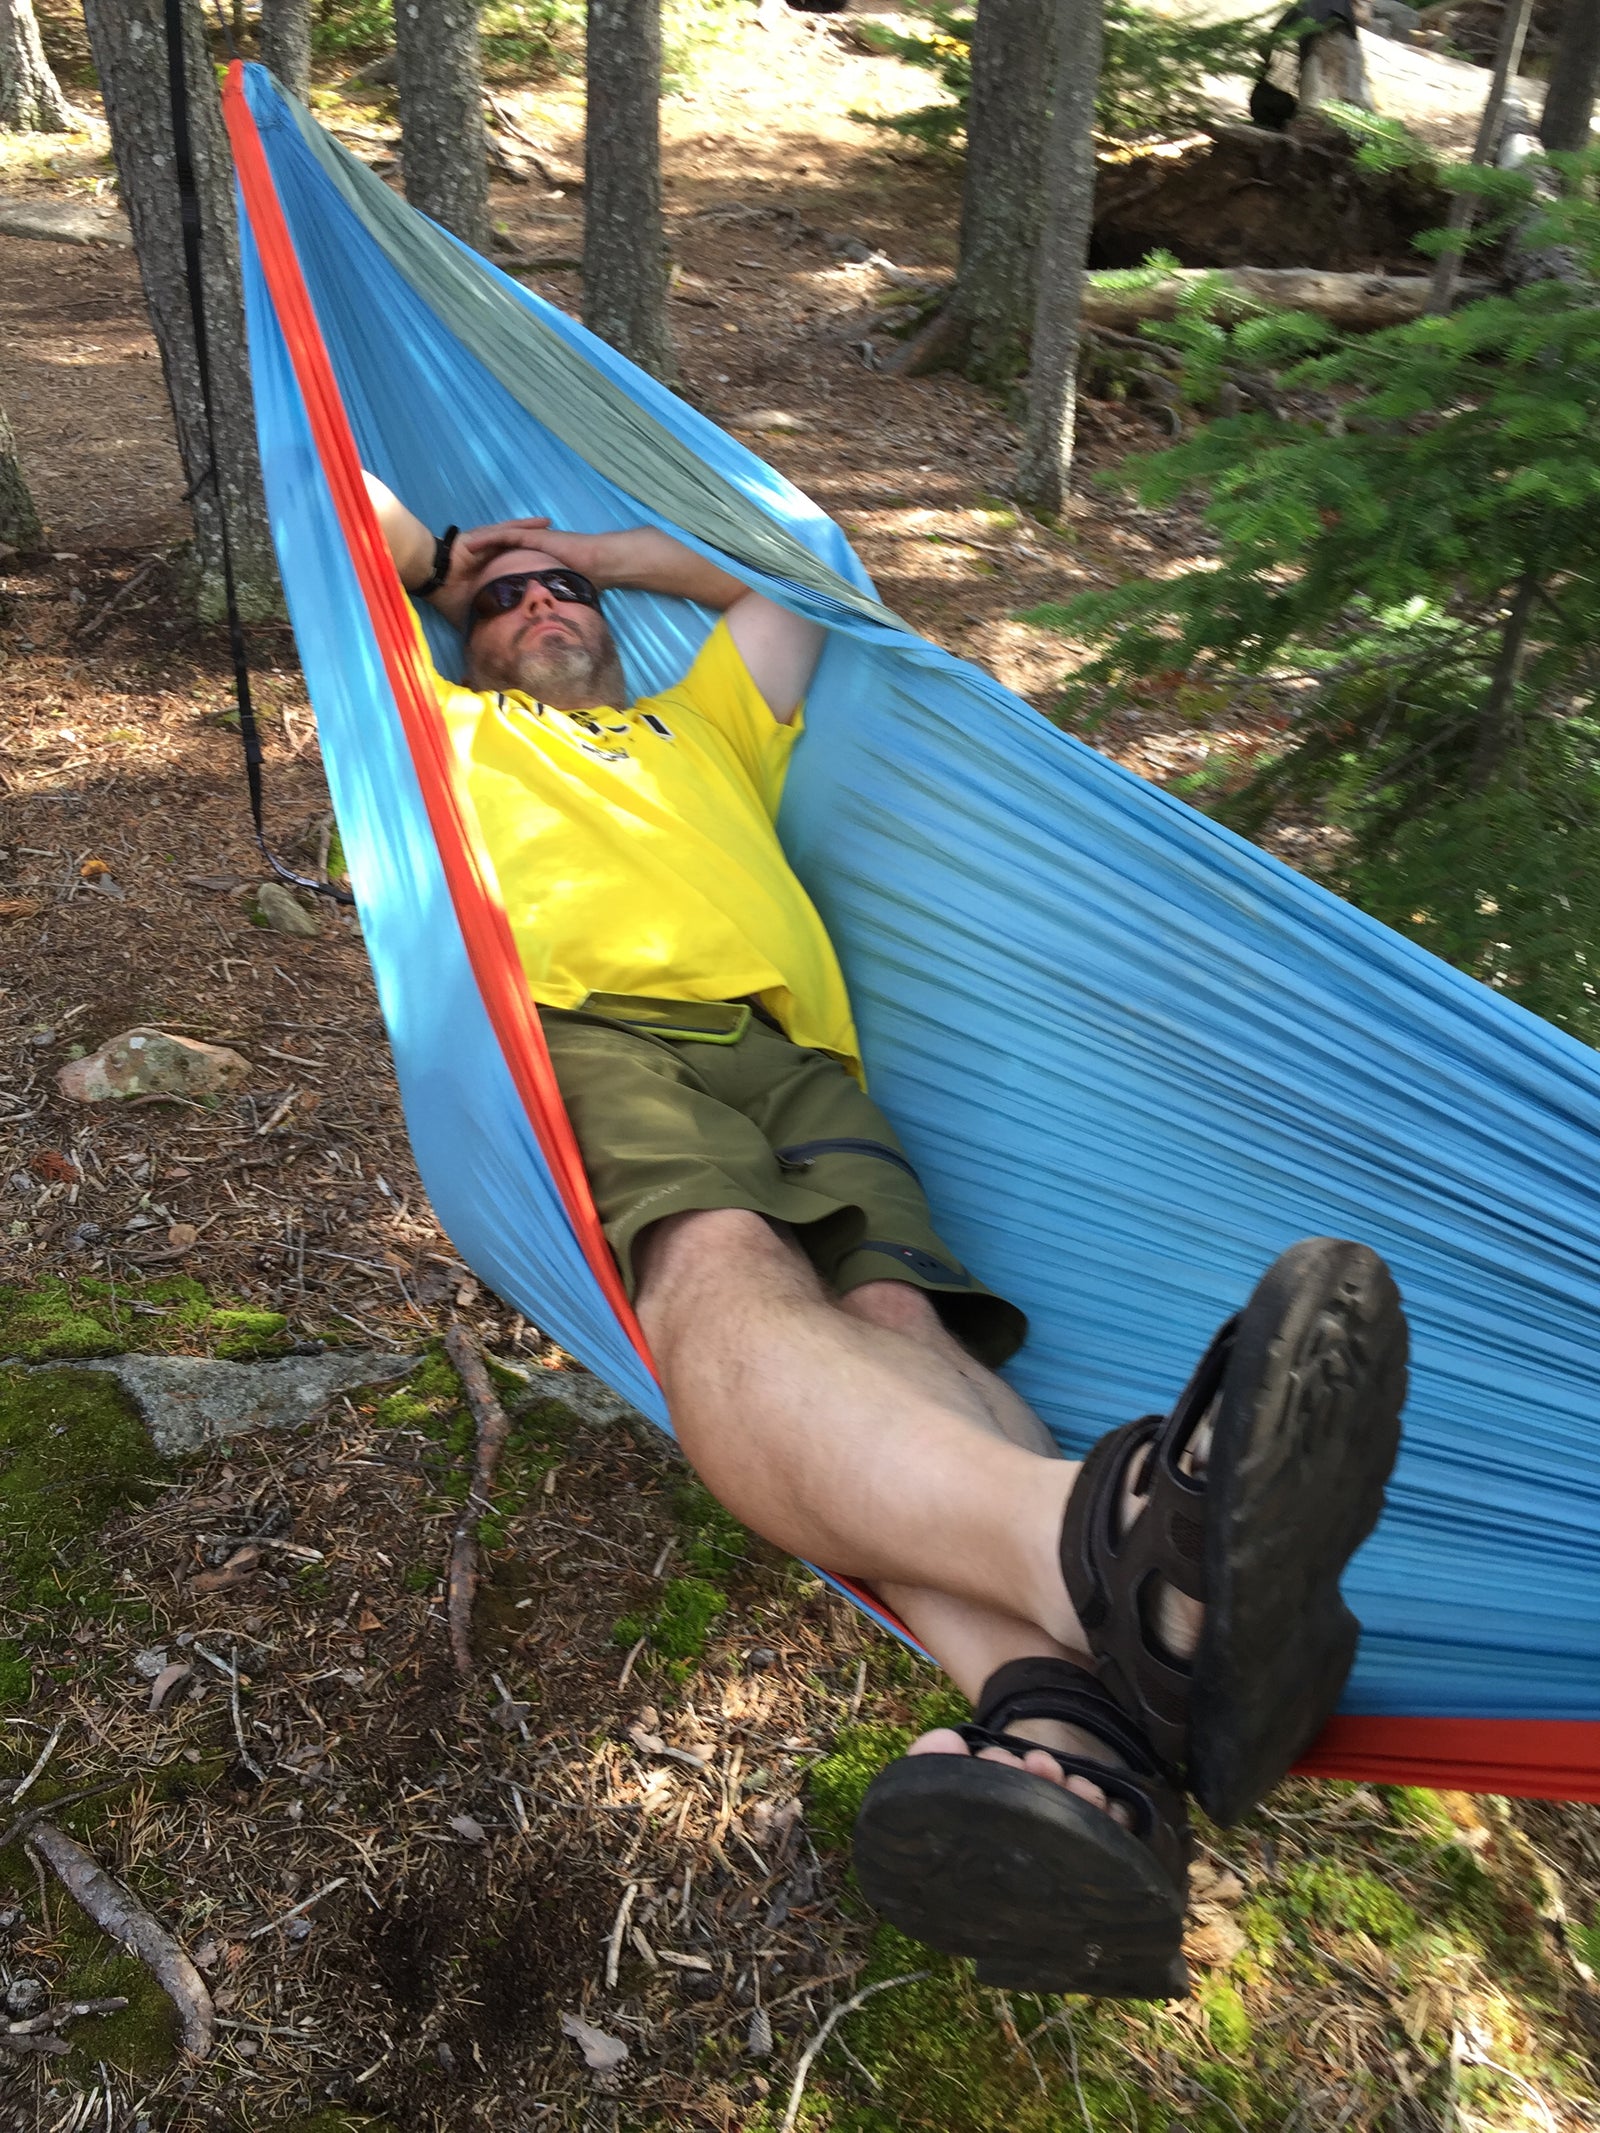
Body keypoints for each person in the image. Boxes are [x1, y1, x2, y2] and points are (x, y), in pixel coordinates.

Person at [364, 475, 1409, 1997]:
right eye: (500, 603)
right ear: (454, 639)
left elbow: (789, 570)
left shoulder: (701, 724)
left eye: (563, 592)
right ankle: (1105, 1548)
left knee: (905, 1336)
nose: (538, 606)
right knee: (718, 1266)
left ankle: (1067, 1726)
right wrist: (445, 563)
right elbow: (346, 520)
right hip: (593, 1039)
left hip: (801, 1059)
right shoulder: (443, 730)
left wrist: (580, 546)